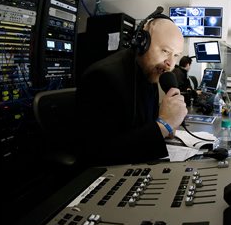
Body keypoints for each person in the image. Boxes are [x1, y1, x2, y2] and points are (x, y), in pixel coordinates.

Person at [75, 12, 186, 166]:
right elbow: (100, 152)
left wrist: (167, 124)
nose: (171, 64)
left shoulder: (150, 74)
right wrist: (163, 125)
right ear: (142, 42)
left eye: (176, 56)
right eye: (165, 51)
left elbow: (143, 125)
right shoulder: (102, 76)